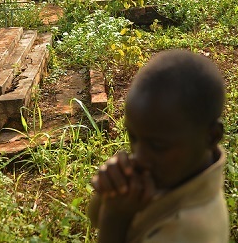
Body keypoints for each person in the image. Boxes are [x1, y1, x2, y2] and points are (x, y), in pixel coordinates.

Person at [88, 49, 228, 242]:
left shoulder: (188, 231)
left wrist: (115, 216)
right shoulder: (178, 173)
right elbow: (95, 217)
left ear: (212, 136)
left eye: (158, 146)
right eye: (133, 137)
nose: (139, 157)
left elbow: (107, 222)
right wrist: (111, 191)